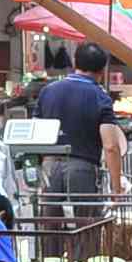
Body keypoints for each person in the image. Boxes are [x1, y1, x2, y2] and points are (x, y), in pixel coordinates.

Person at [37, 41, 121, 213]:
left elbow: (36, 134)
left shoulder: (48, 91)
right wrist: (116, 187)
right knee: (86, 227)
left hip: (49, 167)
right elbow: (111, 146)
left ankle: (50, 241)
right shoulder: (101, 97)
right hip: (83, 168)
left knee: (49, 227)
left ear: (75, 63)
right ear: (102, 70)